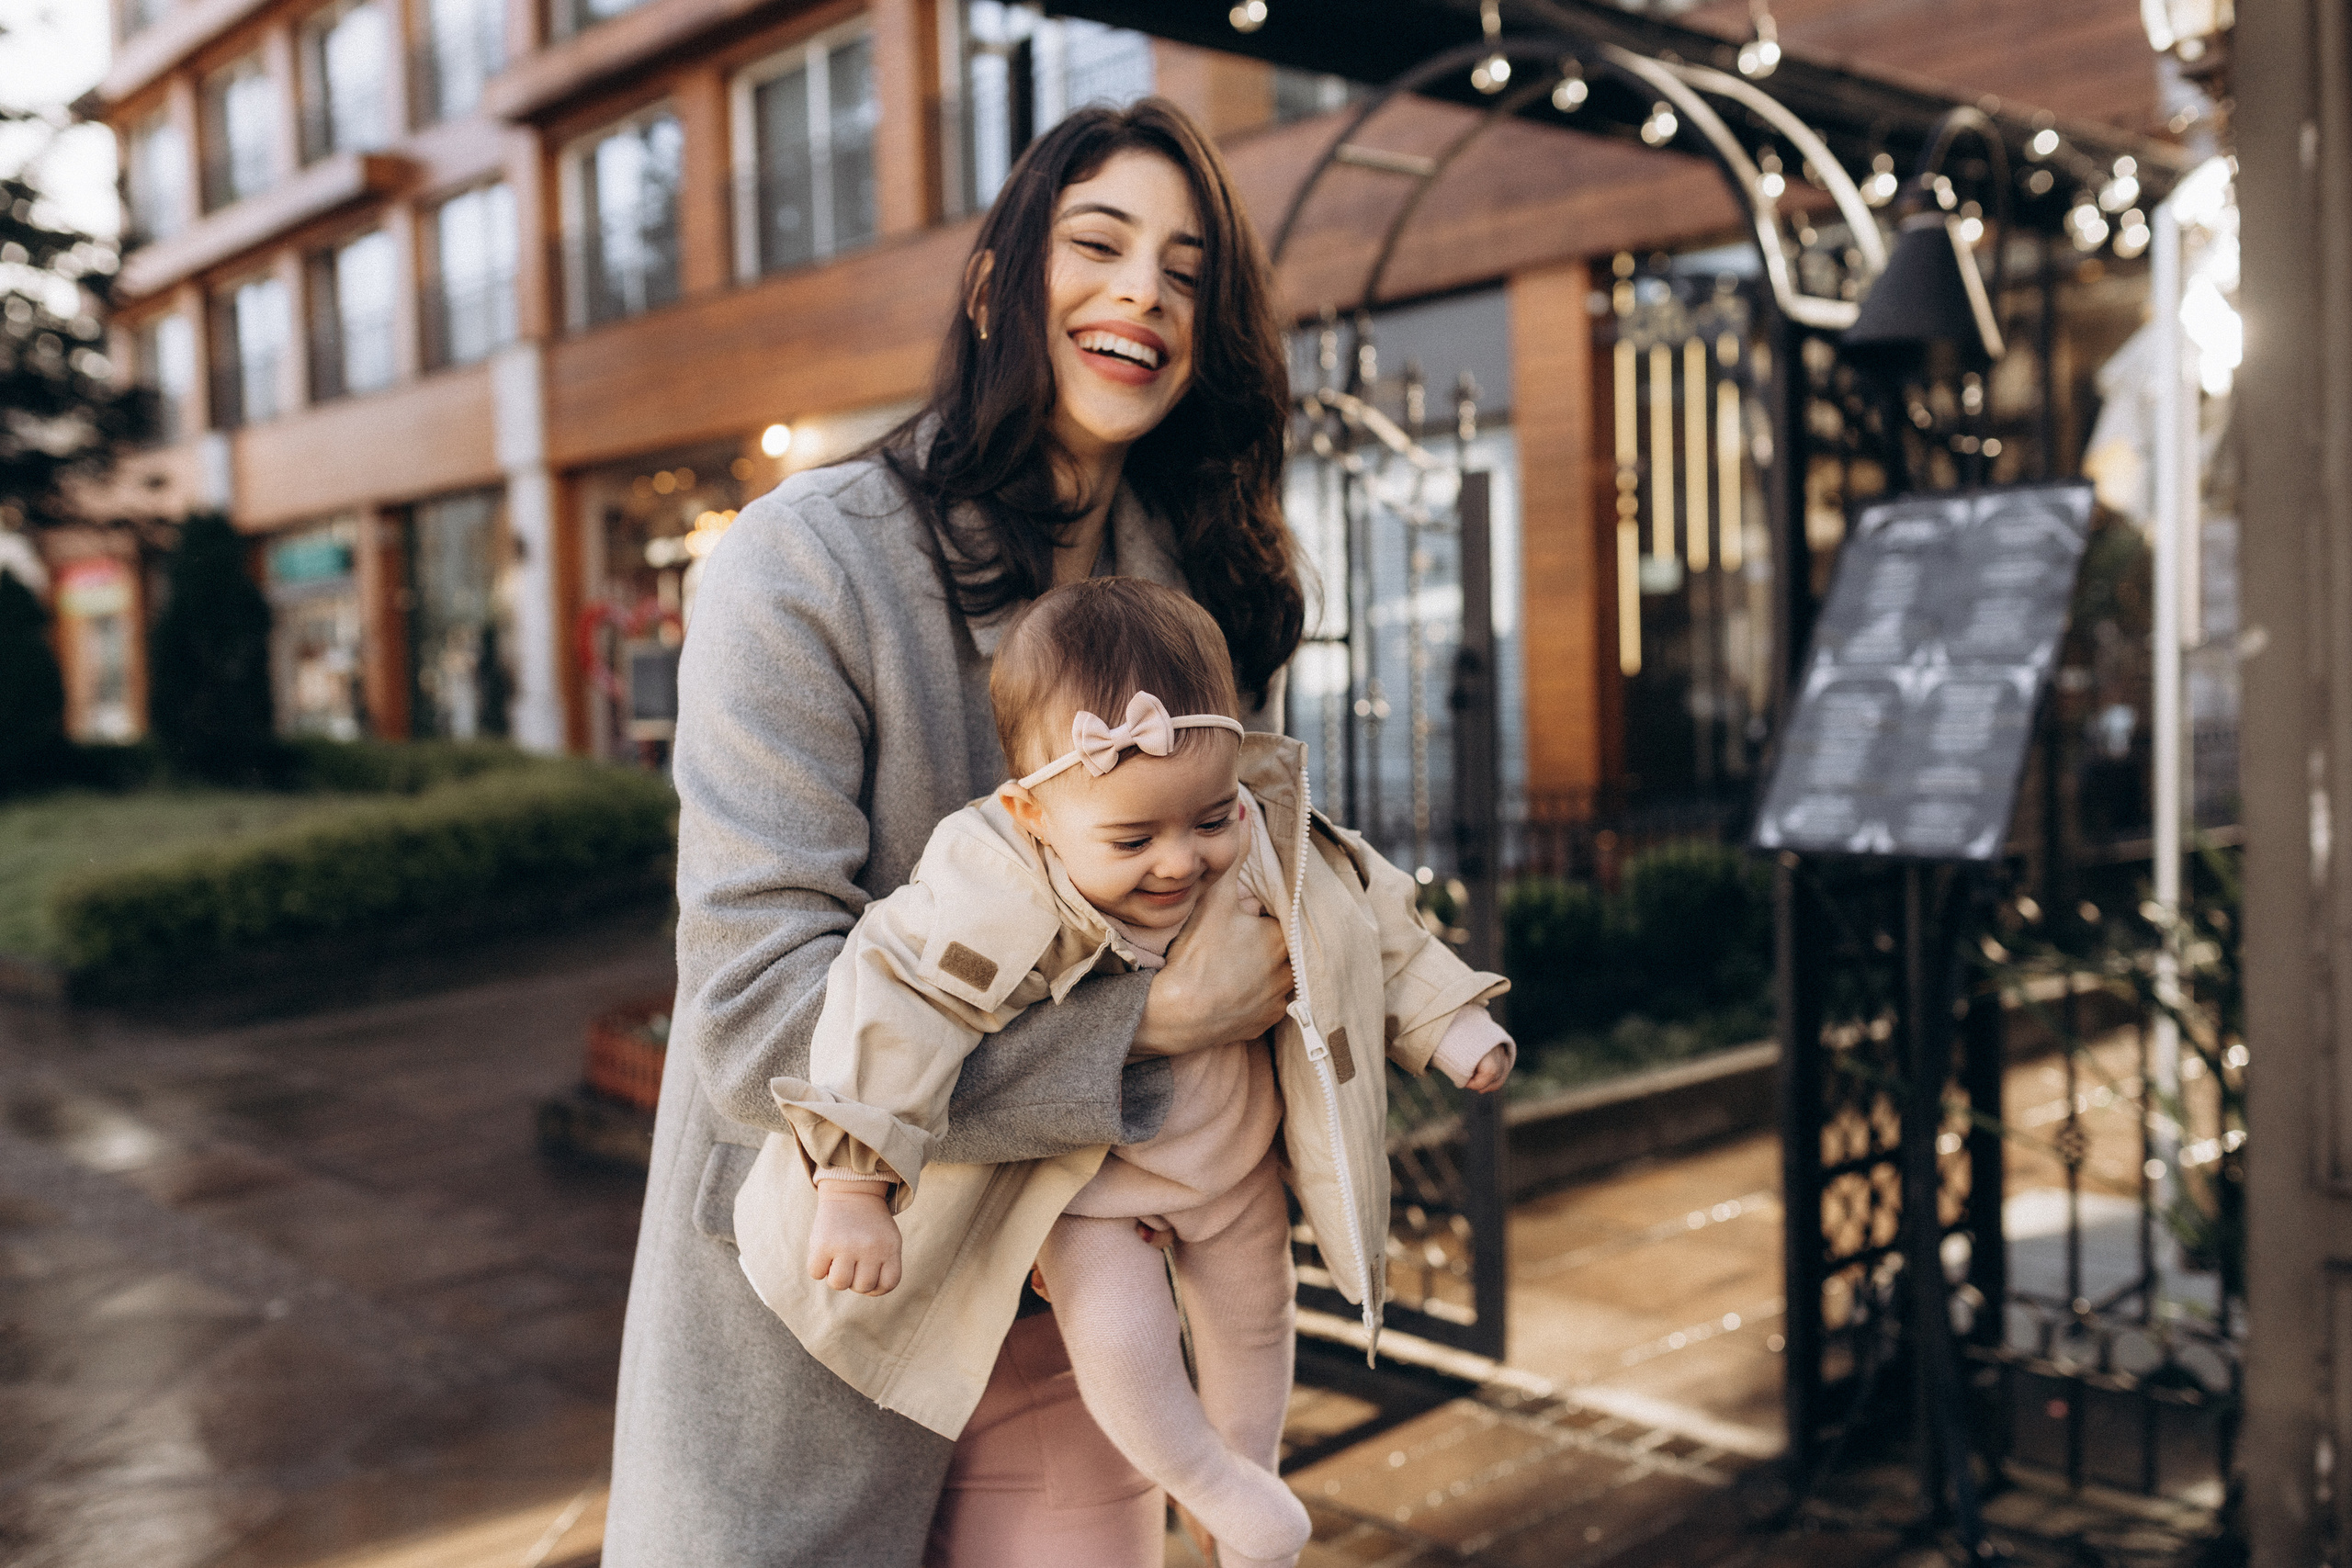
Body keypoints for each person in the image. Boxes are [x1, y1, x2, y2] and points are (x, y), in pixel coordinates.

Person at [605, 99, 1306, 1567]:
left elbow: (1254, 909)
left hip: (1076, 1319)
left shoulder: (1195, 597)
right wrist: (1144, 1027)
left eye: (1187, 272)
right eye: (1099, 244)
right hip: (819, 1322)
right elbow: (752, 1020)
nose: (1143, 296)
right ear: (995, 285)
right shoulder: (804, 569)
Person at [730, 579, 1513, 1568]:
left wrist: (1449, 1024)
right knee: (1125, 1347)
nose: (1179, 862)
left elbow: (1366, 915)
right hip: (1096, 1196)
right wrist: (853, 1182)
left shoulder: (1261, 837)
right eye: (1134, 839)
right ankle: (1209, 1483)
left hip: (1235, 1171)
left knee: (1255, 1329)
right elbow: (890, 1007)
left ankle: (1247, 1485)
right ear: (1034, 812)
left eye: (1208, 816)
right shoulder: (993, 886)